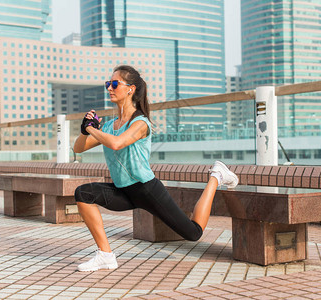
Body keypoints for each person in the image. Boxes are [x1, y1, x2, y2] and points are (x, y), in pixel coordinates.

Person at [73, 65, 238, 272]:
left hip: (146, 189)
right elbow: (78, 148)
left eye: (114, 84)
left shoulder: (141, 124)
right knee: (83, 193)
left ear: (130, 89)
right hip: (123, 191)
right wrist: (84, 130)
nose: (109, 88)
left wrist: (90, 129)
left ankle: (217, 175)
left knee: (193, 234)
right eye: (108, 84)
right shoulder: (108, 127)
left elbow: (117, 143)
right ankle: (106, 255)